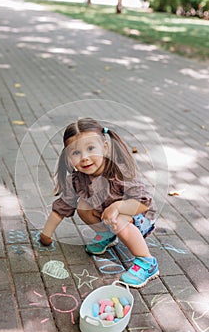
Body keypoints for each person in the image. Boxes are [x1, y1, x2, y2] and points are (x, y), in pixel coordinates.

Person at [40, 118, 159, 288]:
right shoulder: (76, 180)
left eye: (90, 149)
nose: (85, 158)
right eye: (76, 153)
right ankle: (108, 235)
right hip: (110, 216)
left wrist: (118, 206)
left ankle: (147, 263)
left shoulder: (120, 172)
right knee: (83, 206)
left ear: (104, 147)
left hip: (139, 217)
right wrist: (47, 233)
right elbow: (62, 207)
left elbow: (143, 202)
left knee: (117, 219)